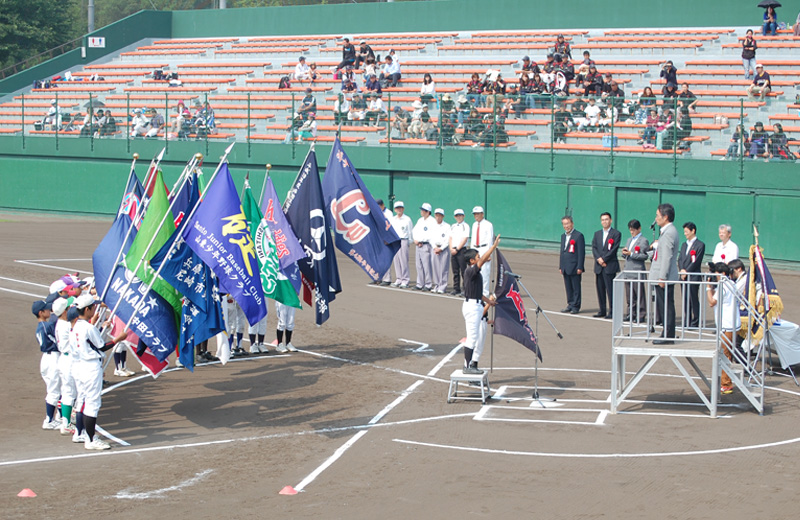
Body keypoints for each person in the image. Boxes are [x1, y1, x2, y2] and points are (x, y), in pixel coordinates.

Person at [71, 294, 127, 450]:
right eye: (93, 307)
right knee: (92, 404)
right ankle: (90, 439)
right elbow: (102, 346)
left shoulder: (76, 326)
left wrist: (98, 325)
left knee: (82, 401)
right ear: (87, 309)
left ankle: (79, 433)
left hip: (79, 366)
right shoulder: (87, 327)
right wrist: (119, 338)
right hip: (89, 367)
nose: (95, 308)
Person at [462, 235, 501, 375]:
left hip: (475, 304)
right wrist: (493, 247)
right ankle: (467, 367)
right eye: (477, 257)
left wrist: (489, 301)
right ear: (472, 261)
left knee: (476, 337)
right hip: (472, 307)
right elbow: (483, 260)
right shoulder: (471, 271)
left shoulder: (473, 274)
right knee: (472, 338)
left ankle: (470, 365)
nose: (480, 258)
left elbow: (477, 293)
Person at [706, 262, 742, 395]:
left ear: (722, 274)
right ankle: (726, 383)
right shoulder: (731, 283)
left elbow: (711, 302)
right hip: (732, 325)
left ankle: (726, 385)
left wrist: (708, 288)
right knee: (727, 354)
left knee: (725, 355)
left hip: (727, 326)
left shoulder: (723, 286)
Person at [649, 203, 679, 344]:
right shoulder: (668, 232)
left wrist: (662, 277)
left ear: (665, 217)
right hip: (663, 275)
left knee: (666, 305)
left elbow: (667, 257)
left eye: (657, 215)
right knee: (664, 305)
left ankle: (668, 334)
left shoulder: (668, 233)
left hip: (664, 277)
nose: (656, 218)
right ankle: (666, 333)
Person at [32, 299, 61, 430]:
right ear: (41, 312)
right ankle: (49, 420)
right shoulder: (46, 326)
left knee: (57, 389)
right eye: (46, 309)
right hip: (52, 358)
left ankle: (59, 417)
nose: (49, 311)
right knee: (54, 390)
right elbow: (58, 343)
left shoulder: (41, 327)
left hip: (47, 359)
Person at [52, 298, 77, 434]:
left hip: (64, 359)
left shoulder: (59, 323)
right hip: (69, 360)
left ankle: (66, 420)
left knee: (68, 391)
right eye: (68, 309)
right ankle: (66, 423)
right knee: (70, 392)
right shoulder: (66, 325)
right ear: (63, 312)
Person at [591, 212, 621, 319]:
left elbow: (614, 249)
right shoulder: (597, 234)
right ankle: (602, 310)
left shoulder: (616, 233)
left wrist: (604, 259)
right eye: (603, 220)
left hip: (609, 265)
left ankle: (613, 311)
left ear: (611, 220)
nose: (605, 221)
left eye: (606, 219)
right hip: (599, 266)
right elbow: (594, 247)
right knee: (600, 289)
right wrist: (598, 258)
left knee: (611, 290)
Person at [621, 220, 649, 323]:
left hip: (637, 271)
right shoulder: (629, 240)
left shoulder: (643, 240)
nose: (632, 232)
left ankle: (641, 314)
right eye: (630, 230)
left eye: (633, 230)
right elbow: (626, 254)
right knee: (630, 296)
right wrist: (624, 253)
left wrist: (631, 254)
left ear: (639, 229)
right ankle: (630, 313)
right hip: (628, 271)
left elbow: (645, 255)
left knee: (639, 295)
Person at [678, 222, 705, 328]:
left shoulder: (700, 245)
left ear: (693, 231)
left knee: (693, 298)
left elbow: (696, 261)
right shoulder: (684, 244)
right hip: (683, 276)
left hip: (693, 275)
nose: (685, 234)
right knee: (685, 298)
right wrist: (682, 270)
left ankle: (695, 320)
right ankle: (686, 319)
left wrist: (687, 271)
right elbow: (680, 259)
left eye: (686, 231)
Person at [559, 216, 585, 314]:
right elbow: (562, 252)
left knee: (576, 287)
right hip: (565, 266)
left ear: (572, 224)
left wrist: (580, 266)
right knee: (568, 287)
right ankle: (570, 304)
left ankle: (576, 306)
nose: (566, 226)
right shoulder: (563, 236)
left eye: (568, 223)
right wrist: (560, 266)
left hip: (574, 266)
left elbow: (581, 253)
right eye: (564, 224)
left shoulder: (578, 236)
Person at [470, 206, 494, 297]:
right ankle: (475, 291)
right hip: (476, 249)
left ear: (482, 214)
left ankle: (485, 293)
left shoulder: (488, 225)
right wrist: (472, 252)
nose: (476, 216)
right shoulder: (474, 225)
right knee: (475, 271)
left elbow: (489, 240)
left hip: (484, 248)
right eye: (475, 214)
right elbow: (473, 239)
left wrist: (488, 253)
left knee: (484, 272)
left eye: (478, 214)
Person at [390, 201, 413, 288]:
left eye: (401, 208)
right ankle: (399, 279)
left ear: (403, 209)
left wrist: (408, 242)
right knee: (396, 260)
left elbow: (410, 232)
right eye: (397, 208)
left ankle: (405, 279)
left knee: (404, 260)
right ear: (395, 210)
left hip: (403, 240)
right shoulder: (393, 219)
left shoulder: (407, 219)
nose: (399, 209)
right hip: (395, 241)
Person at [412, 203, 434, 291]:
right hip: (418, 245)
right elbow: (414, 231)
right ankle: (420, 283)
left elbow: (431, 234)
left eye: (423, 210)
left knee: (426, 265)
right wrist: (416, 240)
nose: (421, 212)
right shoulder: (420, 220)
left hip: (426, 245)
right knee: (419, 265)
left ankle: (428, 284)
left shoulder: (432, 221)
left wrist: (422, 240)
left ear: (428, 212)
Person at [449, 208, 470, 297]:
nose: (459, 217)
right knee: (455, 271)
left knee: (463, 271)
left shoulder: (466, 226)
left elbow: (464, 239)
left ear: (463, 216)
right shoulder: (453, 226)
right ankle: (456, 288)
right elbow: (450, 238)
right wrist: (451, 249)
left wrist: (457, 249)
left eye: (460, 215)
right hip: (453, 250)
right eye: (457, 215)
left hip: (462, 250)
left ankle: (465, 289)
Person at [430, 208, 451, 294]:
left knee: (443, 268)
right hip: (434, 249)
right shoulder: (432, 225)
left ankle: (442, 286)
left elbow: (448, 239)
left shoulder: (447, 226)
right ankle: (437, 285)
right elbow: (430, 238)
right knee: (435, 268)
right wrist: (435, 247)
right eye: (437, 215)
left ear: (443, 216)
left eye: (440, 215)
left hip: (444, 249)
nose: (438, 217)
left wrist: (441, 248)